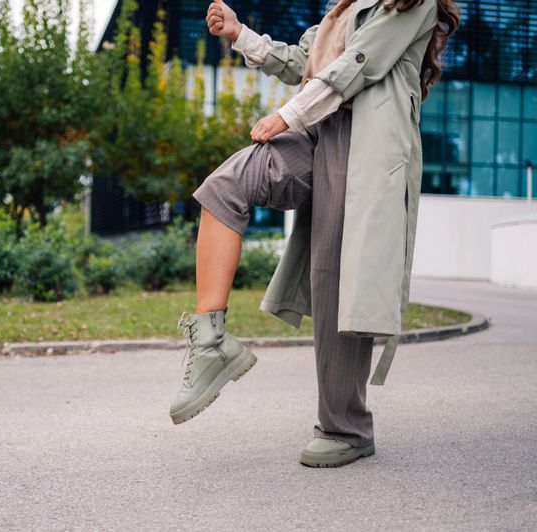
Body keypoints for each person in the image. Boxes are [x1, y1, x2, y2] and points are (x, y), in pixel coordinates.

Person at [169, 0, 460, 468]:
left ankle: (346, 428)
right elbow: (307, 62)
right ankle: (211, 343)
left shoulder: (412, 4)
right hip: (318, 134)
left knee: (334, 281)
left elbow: (357, 65)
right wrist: (240, 33)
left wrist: (286, 116)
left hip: (362, 146)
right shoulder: (341, 8)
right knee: (225, 186)